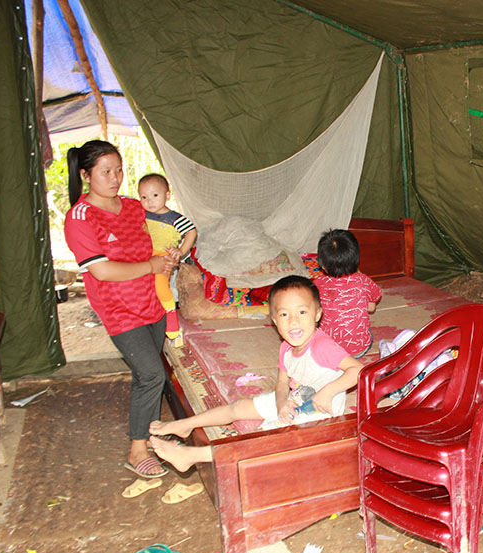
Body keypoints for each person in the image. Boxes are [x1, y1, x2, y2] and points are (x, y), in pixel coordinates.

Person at [149, 275, 362, 472]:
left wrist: (328, 391)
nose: (293, 321)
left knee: (263, 438)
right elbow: (282, 382)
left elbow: (358, 370)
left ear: (317, 314)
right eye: (284, 314)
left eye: (302, 312)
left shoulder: (322, 346)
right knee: (239, 407)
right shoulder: (286, 348)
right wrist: (281, 403)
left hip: (320, 412)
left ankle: (190, 456)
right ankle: (185, 425)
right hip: (295, 399)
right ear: (274, 320)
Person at [63, 140, 177, 478]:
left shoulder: (132, 207)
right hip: (119, 310)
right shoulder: (80, 217)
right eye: (105, 172)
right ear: (85, 175)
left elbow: (152, 246)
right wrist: (151, 266)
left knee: (147, 374)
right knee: (152, 374)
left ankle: (152, 436)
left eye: (119, 170)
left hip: (151, 302)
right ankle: (137, 450)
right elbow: (101, 270)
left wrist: (167, 258)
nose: (115, 178)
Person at [137, 173, 197, 340]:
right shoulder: (141, 214)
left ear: (167, 195)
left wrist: (181, 251)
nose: (149, 201)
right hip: (143, 256)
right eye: (144, 197)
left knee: (160, 286)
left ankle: (171, 318)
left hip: (163, 257)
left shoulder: (173, 218)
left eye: (155, 195)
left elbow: (191, 232)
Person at [313, 229, 382, 357]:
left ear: (322, 266)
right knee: (366, 330)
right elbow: (371, 308)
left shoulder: (318, 284)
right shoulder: (363, 281)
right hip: (358, 350)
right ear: (357, 259)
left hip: (328, 351)